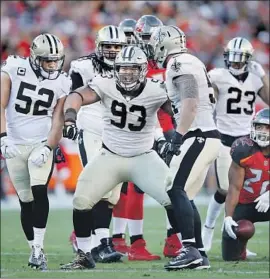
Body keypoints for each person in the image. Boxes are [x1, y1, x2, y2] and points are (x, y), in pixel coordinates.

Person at [60, 46, 178, 270]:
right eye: (122, 68)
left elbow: (178, 109)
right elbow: (76, 96)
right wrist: (69, 118)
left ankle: (192, 248)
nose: (126, 73)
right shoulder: (105, 84)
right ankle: (85, 255)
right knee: (81, 199)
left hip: (143, 156)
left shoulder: (156, 89)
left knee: (176, 197)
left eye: (132, 69)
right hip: (110, 156)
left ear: (143, 70)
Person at [150, 25, 221, 270]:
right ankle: (199, 253)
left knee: (175, 188)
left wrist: (177, 138)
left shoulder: (179, 63)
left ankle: (189, 249)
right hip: (205, 135)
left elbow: (190, 103)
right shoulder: (189, 61)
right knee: (185, 195)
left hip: (198, 135)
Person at [0, 33, 71, 270]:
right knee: (25, 199)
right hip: (14, 143)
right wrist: (2, 138)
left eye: (55, 60)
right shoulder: (14, 68)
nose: (52, 65)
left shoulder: (62, 81)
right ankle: (33, 248)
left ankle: (39, 250)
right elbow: (0, 105)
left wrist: (49, 146)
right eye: (47, 60)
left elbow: (57, 121)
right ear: (33, 57)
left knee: (39, 191)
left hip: (41, 142)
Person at [112, 15, 174, 261]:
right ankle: (124, 240)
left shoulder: (171, 62)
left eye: (155, 37)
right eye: (147, 37)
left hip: (169, 131)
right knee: (126, 188)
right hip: (139, 131)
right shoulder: (131, 62)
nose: (152, 42)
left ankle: (174, 238)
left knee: (174, 186)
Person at [202, 37, 269, 253]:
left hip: (250, 141)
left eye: (241, 59)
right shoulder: (217, 76)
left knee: (243, 192)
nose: (236, 62)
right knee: (225, 189)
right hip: (224, 139)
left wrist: (264, 76)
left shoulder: (255, 78)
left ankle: (237, 239)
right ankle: (208, 229)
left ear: (248, 59)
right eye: (233, 58)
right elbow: (208, 99)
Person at [68, 25, 126, 263]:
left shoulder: (131, 67)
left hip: (118, 133)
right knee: (95, 184)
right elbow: (72, 96)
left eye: (117, 46)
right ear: (98, 46)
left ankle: (102, 242)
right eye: (108, 46)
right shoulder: (82, 66)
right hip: (91, 128)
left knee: (112, 192)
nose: (112, 51)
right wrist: (68, 122)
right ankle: (90, 243)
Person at [223, 108, 269, 261]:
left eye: (268, 127)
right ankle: (240, 247)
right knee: (233, 249)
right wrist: (228, 217)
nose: (263, 131)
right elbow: (234, 188)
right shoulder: (244, 149)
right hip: (246, 204)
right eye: (259, 127)